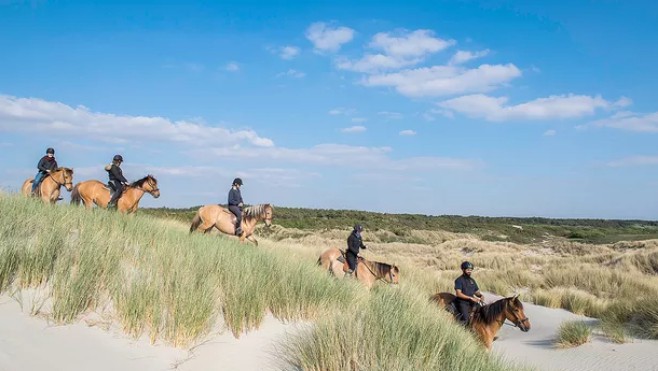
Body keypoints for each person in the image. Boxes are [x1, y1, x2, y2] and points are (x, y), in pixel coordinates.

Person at [454, 261, 484, 326]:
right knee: (466, 320)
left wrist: (481, 296)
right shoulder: (459, 280)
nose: (469, 271)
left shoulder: (472, 280)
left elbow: (476, 292)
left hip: (472, 302)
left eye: (471, 270)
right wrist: (471, 298)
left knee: (483, 313)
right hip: (462, 302)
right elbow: (458, 293)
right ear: (463, 269)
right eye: (468, 270)